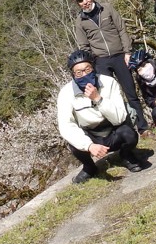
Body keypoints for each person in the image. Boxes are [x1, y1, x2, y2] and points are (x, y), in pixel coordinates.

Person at [71, 0, 150, 136]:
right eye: (80, 0)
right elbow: (84, 45)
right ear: (78, 3)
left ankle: (143, 128)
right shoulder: (80, 22)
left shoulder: (107, 9)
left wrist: (127, 52)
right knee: (110, 97)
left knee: (131, 92)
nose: (85, 1)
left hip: (120, 56)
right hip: (100, 61)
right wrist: (92, 65)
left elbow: (122, 29)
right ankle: (125, 131)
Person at [57, 50, 145, 184]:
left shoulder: (109, 82)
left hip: (112, 129)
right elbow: (66, 125)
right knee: (73, 143)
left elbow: (120, 117)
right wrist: (89, 145)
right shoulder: (66, 93)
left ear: (93, 68)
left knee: (129, 134)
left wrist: (98, 99)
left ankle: (126, 155)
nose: (84, 75)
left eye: (88, 69)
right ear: (73, 75)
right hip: (90, 133)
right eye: (79, 73)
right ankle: (89, 167)